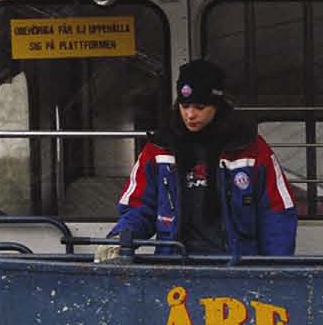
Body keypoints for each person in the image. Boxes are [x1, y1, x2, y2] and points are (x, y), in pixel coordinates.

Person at [111, 57, 297, 259]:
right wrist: (119, 239)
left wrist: (274, 269)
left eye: (199, 107)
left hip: (238, 270)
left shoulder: (251, 149)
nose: (190, 115)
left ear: (217, 106)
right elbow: (139, 207)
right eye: (184, 106)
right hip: (174, 265)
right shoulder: (158, 148)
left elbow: (277, 213)